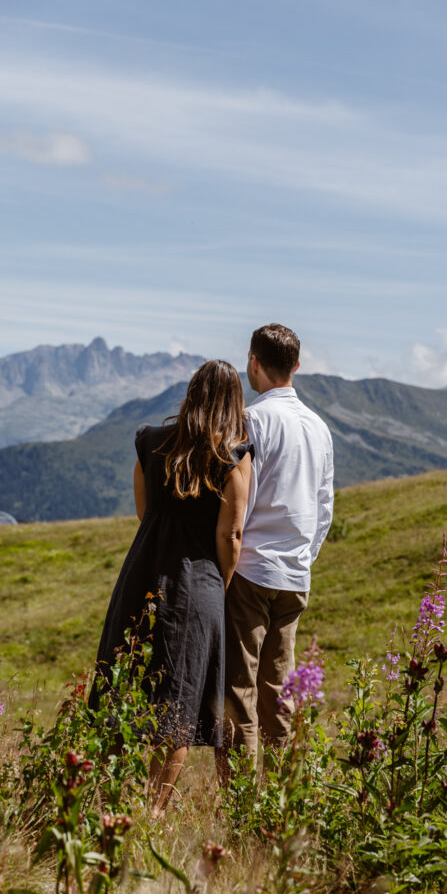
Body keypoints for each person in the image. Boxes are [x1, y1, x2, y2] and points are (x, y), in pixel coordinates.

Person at [89, 360, 253, 816]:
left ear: (191, 392)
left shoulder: (148, 441)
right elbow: (231, 535)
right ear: (233, 403)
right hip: (197, 581)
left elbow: (145, 512)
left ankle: (104, 804)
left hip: (142, 572)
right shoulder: (234, 456)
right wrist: (220, 581)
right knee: (177, 703)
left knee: (122, 684)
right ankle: (152, 811)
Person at [216, 324, 334, 774]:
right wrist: (304, 557)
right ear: (297, 367)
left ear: (253, 363)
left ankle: (242, 805)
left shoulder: (250, 420)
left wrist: (229, 562)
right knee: (279, 695)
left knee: (237, 693)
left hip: (250, 570)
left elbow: (238, 501)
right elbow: (324, 507)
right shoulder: (320, 429)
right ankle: (283, 796)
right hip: (295, 575)